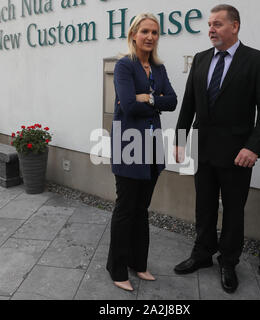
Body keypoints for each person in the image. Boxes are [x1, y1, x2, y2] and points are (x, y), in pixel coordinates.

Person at [173, 4, 260, 294]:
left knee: (233, 210)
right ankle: (202, 254)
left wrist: (253, 147)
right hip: (203, 149)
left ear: (235, 26)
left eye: (218, 24)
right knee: (203, 205)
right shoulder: (201, 59)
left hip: (238, 155)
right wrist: (180, 140)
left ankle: (228, 261)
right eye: (209, 24)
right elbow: (189, 103)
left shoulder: (256, 60)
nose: (211, 29)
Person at [107, 13, 177, 291]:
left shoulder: (158, 69)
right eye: (145, 31)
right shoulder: (125, 65)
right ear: (134, 34)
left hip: (151, 147)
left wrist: (146, 97)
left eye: (155, 32)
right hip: (128, 145)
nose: (150, 36)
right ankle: (117, 268)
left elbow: (172, 101)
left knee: (142, 209)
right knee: (125, 209)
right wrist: (153, 100)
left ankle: (139, 264)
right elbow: (127, 104)